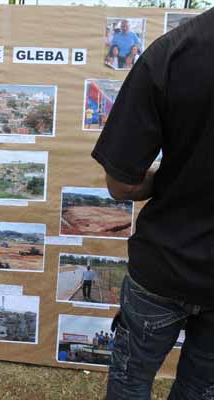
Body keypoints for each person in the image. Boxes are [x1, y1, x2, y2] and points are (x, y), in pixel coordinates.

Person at [91, 8, 214, 400]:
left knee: (130, 381)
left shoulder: (173, 52)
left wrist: (175, 176)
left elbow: (121, 184)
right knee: (200, 389)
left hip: (163, 264)